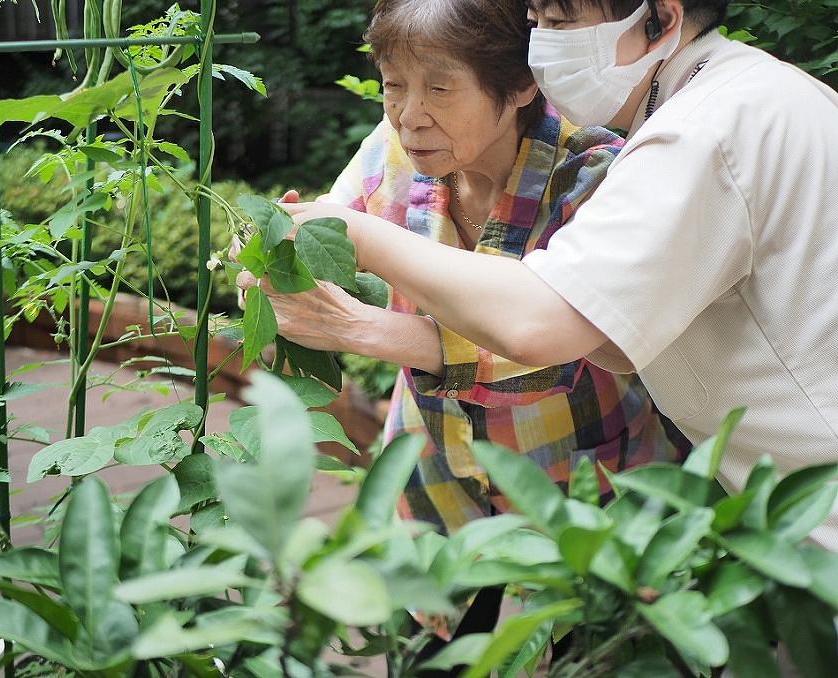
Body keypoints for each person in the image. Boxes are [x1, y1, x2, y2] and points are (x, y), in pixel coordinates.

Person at [280, 0, 838, 549]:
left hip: (626, 487)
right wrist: (283, 255)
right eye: (536, 21)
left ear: (661, 20)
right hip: (441, 477)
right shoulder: (762, 94)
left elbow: (548, 326)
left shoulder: (684, 138)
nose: (541, 46)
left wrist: (359, 276)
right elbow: (621, 339)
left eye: (561, 22)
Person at [237, 0, 690, 645]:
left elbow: (581, 341)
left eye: (440, 88)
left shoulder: (596, 174)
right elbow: (326, 241)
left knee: (590, 645)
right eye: (395, 85)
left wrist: (371, 331)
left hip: (586, 483)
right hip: (434, 476)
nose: (408, 114)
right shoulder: (391, 151)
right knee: (426, 645)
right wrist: (275, 265)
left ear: (521, 85)